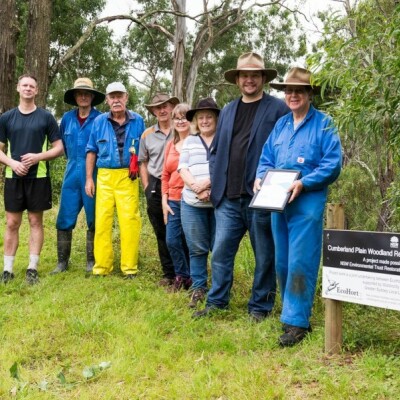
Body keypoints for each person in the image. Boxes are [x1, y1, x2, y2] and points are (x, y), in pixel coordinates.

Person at [194, 52, 290, 321]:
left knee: (265, 256)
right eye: (245, 75)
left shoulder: (277, 108)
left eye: (255, 75)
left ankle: (260, 307)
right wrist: (216, 184)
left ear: (263, 78)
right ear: (237, 79)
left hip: (261, 197)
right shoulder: (227, 110)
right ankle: (216, 302)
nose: (249, 79)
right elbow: (216, 151)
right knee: (221, 251)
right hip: (228, 197)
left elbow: (285, 148)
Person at [254, 67, 342, 346]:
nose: (292, 95)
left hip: (307, 201)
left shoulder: (324, 124)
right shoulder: (281, 125)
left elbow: (333, 163)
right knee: (281, 260)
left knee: (300, 261)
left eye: (298, 91)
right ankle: (289, 312)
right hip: (277, 201)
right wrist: (260, 178)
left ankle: (297, 323)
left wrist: (305, 182)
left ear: (309, 94)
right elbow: (266, 157)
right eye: (288, 91)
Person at [0, 74, 64, 284]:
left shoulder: (46, 117)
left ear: (37, 91)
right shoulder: (6, 118)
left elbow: (59, 148)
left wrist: (38, 157)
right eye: (24, 85)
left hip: (39, 177)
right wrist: (12, 163)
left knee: (36, 221)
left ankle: (32, 268)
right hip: (13, 177)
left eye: (32, 86)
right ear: (18, 88)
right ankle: (7, 270)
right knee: (12, 223)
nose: (28, 88)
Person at [85, 82, 144, 278]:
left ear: (126, 97)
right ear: (107, 100)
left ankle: (129, 268)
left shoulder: (138, 120)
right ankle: (102, 267)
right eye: (112, 96)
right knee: (102, 222)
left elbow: (144, 152)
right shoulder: (99, 121)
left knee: (130, 221)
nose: (116, 100)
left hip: (129, 176)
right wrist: (89, 179)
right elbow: (91, 151)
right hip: (105, 176)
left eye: (119, 96)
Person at [52, 77, 105, 275]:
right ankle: (62, 262)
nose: (83, 96)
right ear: (75, 96)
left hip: (94, 174)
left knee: (94, 217)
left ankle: (92, 261)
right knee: (65, 216)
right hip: (71, 172)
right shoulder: (66, 119)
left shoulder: (101, 119)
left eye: (87, 93)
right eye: (79, 93)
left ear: (92, 96)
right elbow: (63, 147)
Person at [178, 98, 219, 308]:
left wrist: (208, 186)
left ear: (216, 119)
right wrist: (196, 187)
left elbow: (226, 166)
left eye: (209, 117)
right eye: (200, 117)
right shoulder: (190, 141)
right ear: (195, 120)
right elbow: (182, 167)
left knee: (219, 248)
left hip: (218, 203)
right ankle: (199, 288)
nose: (204, 121)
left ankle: (220, 289)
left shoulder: (223, 139)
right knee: (196, 248)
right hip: (192, 202)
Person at [139, 93, 180, 286]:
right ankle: (169, 274)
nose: (162, 110)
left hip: (179, 182)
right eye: (158, 107)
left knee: (181, 230)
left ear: (172, 107)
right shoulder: (147, 134)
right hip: (155, 184)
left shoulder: (182, 130)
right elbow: (143, 162)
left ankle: (185, 273)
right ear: (153, 111)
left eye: (165, 106)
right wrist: (146, 187)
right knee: (161, 231)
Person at [161, 103, 191, 292]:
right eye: (177, 118)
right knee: (172, 240)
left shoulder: (198, 142)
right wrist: (164, 201)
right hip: (172, 199)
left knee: (192, 242)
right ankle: (182, 276)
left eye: (184, 117)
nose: (180, 121)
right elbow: (164, 174)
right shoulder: (170, 145)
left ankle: (196, 279)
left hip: (191, 199)